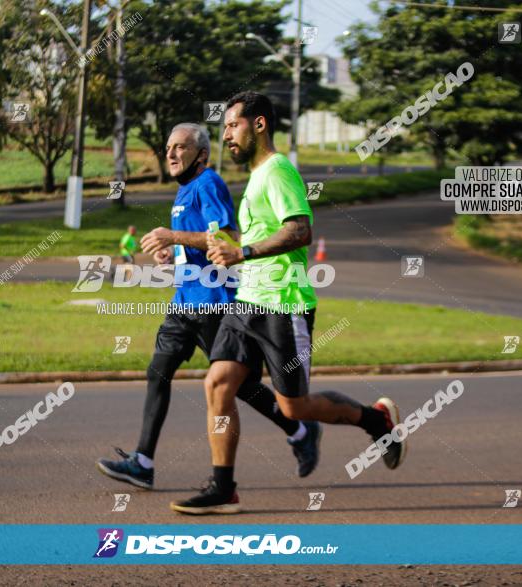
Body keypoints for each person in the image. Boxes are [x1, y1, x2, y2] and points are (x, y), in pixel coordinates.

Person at [170, 92, 406, 515]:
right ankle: (223, 487)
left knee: (292, 406)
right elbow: (251, 238)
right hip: (246, 302)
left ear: (258, 124)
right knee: (218, 384)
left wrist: (242, 253)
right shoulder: (257, 178)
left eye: (232, 126)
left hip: (284, 303)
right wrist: (200, 247)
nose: (227, 136)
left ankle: (376, 421)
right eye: (224, 128)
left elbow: (299, 231)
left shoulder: (278, 172)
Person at [95, 123, 320, 490]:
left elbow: (227, 237)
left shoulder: (209, 183)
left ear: (200, 155)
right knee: (158, 372)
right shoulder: (183, 192)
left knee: (243, 387)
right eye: (168, 147)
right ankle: (144, 462)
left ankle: (298, 430)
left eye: (180, 147)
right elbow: (198, 245)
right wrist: (173, 253)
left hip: (215, 304)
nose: (170, 153)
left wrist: (174, 236)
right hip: (184, 302)